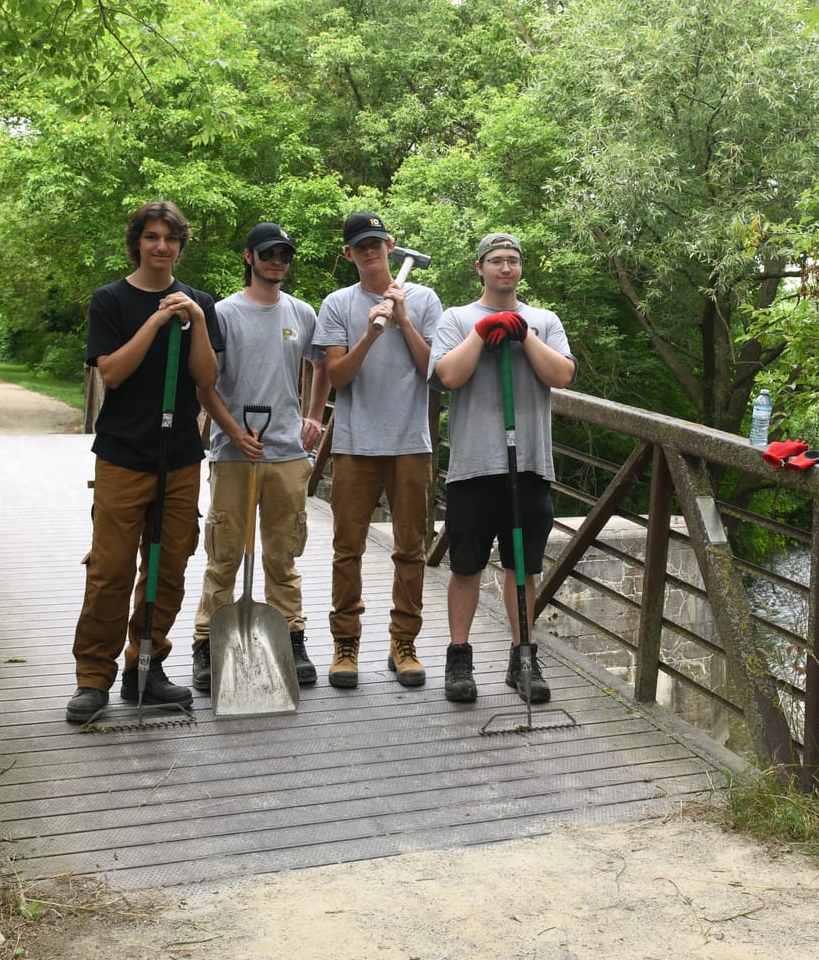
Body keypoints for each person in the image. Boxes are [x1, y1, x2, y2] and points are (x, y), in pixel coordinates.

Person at [66, 201, 223, 726]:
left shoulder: (198, 302)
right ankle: (94, 677)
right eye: (152, 237)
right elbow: (112, 372)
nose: (162, 247)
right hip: (123, 453)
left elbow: (205, 378)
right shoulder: (110, 300)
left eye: (171, 239)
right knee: (110, 569)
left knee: (169, 563)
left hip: (178, 454)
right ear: (138, 242)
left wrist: (196, 319)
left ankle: (146, 666)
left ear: (181, 245)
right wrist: (157, 320)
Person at [428, 232, 576, 704]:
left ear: (521, 268)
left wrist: (523, 334)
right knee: (466, 566)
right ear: (480, 267)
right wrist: (481, 335)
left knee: (523, 568)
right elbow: (448, 376)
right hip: (474, 466)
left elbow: (562, 376)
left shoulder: (544, 320)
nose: (505, 268)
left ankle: (524, 657)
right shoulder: (457, 319)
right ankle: (459, 659)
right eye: (496, 261)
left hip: (530, 464)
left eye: (513, 260)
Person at [189, 223, 325, 690]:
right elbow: (205, 385)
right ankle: (207, 641)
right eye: (269, 253)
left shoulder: (302, 313)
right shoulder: (222, 314)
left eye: (285, 254)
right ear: (249, 257)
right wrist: (232, 431)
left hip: (287, 451)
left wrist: (311, 416)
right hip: (232, 452)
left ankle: (291, 634)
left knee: (283, 553)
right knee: (224, 553)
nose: (278, 261)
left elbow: (320, 364)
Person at [314, 211, 442, 689]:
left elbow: (435, 370)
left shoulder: (425, 300)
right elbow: (338, 378)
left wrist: (403, 319)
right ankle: (345, 644)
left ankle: (403, 643)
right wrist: (370, 333)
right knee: (347, 549)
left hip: (411, 443)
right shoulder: (337, 305)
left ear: (390, 245)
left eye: (376, 242)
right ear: (349, 254)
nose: (370, 251)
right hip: (354, 444)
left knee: (411, 549)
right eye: (359, 246)